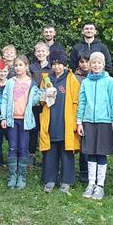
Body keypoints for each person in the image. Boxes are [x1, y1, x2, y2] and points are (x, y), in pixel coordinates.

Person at [76, 52, 113, 200]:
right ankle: (91, 183)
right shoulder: (86, 82)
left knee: (101, 153)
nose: (96, 65)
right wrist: (79, 121)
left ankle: (100, 185)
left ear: (103, 64)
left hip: (104, 121)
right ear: (90, 65)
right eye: (93, 63)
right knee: (90, 152)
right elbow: (82, 102)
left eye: (99, 63)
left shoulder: (110, 81)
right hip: (88, 121)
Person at [39, 49, 80, 193]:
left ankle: (66, 181)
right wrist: (44, 97)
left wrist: (75, 121)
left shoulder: (71, 79)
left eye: (60, 64)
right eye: (54, 64)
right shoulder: (46, 79)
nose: (57, 67)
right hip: (51, 121)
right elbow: (41, 101)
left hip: (66, 122)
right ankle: (50, 180)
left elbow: (76, 101)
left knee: (66, 152)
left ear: (64, 64)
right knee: (50, 152)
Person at [0, 55, 42, 190]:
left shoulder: (32, 84)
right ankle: (12, 176)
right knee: (12, 147)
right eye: (16, 65)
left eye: (21, 65)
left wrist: (44, 95)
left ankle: (22, 176)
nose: (18, 68)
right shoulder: (10, 82)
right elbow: (5, 100)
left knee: (23, 148)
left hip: (25, 121)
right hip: (12, 120)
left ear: (26, 66)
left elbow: (35, 101)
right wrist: (4, 118)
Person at [29, 42, 51, 166]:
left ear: (47, 53)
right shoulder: (32, 68)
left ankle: (46, 154)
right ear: (35, 53)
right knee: (33, 129)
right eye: (38, 51)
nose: (41, 53)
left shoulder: (52, 68)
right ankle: (31, 153)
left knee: (45, 129)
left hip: (46, 105)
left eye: (43, 51)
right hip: (34, 105)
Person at [74, 51, 91, 183]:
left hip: (94, 114)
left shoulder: (96, 76)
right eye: (82, 62)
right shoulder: (75, 77)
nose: (84, 65)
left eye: (87, 61)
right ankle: (84, 171)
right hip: (80, 112)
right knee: (83, 143)